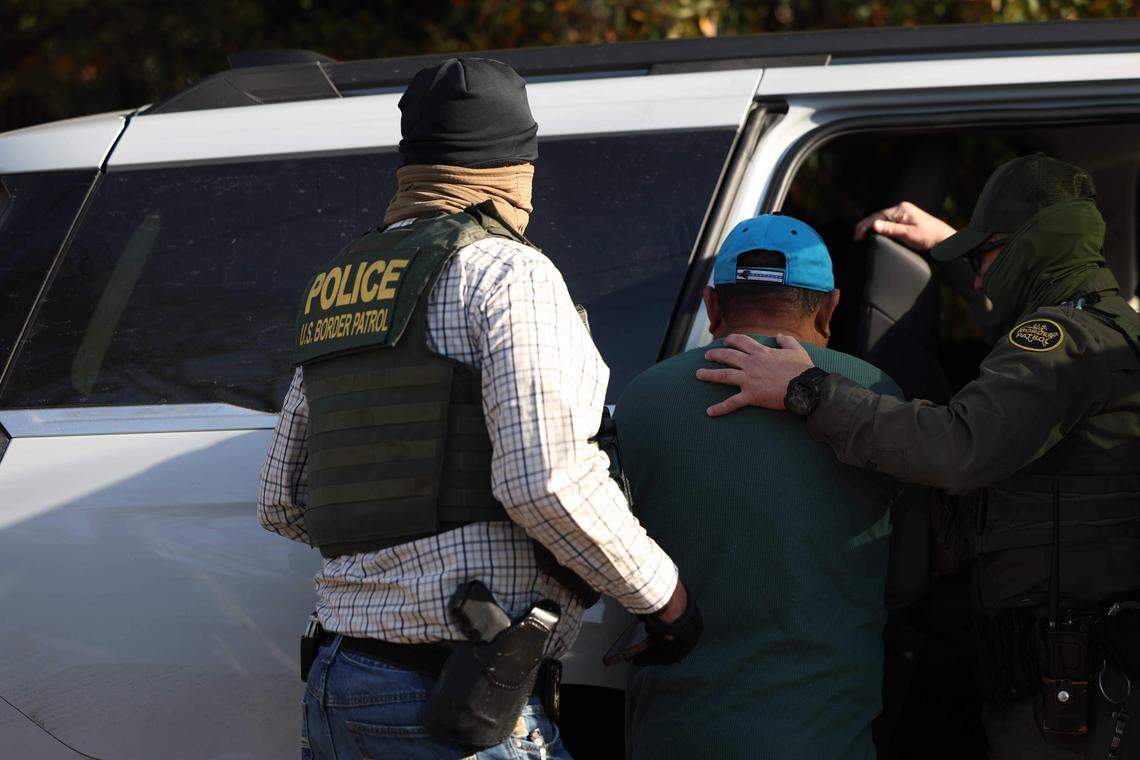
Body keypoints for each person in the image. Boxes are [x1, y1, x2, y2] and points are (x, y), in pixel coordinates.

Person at [257, 57, 700, 760]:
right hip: (451, 699)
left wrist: (399, 524)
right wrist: (665, 601)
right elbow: (546, 482)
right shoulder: (506, 271)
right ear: (518, 167)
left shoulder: (342, 285)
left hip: (339, 687)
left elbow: (282, 500)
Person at [697, 155, 1140, 760]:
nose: (979, 283)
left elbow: (957, 448)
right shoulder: (1110, 325)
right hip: (1093, 668)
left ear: (1028, 248)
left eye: (984, 260)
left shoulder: (1059, 343)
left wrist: (809, 392)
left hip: (1075, 684)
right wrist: (945, 242)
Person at [616, 213, 911, 760]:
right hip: (824, 739)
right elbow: (909, 576)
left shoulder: (641, 399)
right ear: (829, 307)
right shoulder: (876, 396)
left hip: (674, 736)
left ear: (712, 305)